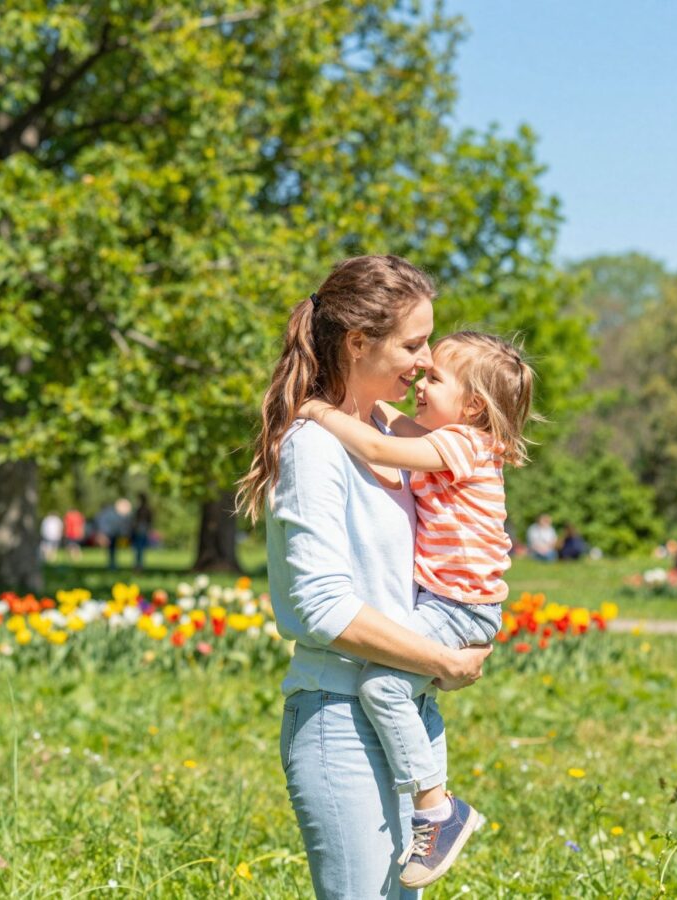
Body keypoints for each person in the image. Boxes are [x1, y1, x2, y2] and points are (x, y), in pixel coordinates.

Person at [236, 256, 491, 900]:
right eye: (412, 343)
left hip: (405, 708)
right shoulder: (316, 442)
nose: (426, 360)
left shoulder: (390, 434)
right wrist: (441, 658)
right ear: (358, 342)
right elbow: (321, 609)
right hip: (341, 718)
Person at [300, 330, 535, 889]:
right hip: (455, 603)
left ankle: (437, 807)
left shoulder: (462, 443)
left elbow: (381, 446)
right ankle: (432, 804)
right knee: (404, 688)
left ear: (474, 405)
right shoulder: (454, 439)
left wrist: (316, 411)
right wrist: (362, 396)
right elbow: (390, 424)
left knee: (383, 686)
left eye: (434, 378)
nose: (421, 382)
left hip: (460, 606)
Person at [132, 494, 154, 571]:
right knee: (139, 549)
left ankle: (138, 566)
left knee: (139, 549)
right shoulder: (146, 509)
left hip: (140, 529)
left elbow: (137, 520)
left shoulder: (141, 509)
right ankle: (139, 565)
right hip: (143, 529)